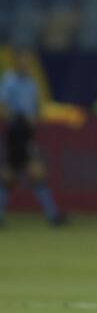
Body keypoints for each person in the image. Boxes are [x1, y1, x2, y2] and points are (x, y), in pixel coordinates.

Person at [0, 52, 64, 226]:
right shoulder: (9, 81)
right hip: (16, 131)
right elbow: (3, 107)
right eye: (22, 58)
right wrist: (17, 118)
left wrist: (33, 118)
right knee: (33, 173)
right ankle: (53, 215)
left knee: (10, 176)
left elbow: (35, 108)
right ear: (16, 60)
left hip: (27, 132)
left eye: (27, 59)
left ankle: (53, 214)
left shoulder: (31, 83)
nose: (26, 62)